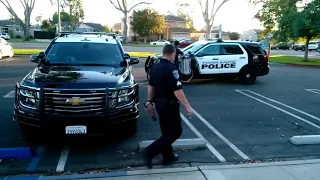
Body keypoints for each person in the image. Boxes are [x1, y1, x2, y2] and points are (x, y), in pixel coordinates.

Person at [142, 44, 193, 169]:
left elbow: (151, 86)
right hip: (170, 105)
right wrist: (187, 106)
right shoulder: (171, 69)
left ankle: (168, 156)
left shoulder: (155, 67)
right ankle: (149, 151)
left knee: (166, 131)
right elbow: (177, 90)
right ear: (172, 54)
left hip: (159, 104)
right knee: (176, 131)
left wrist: (149, 101)